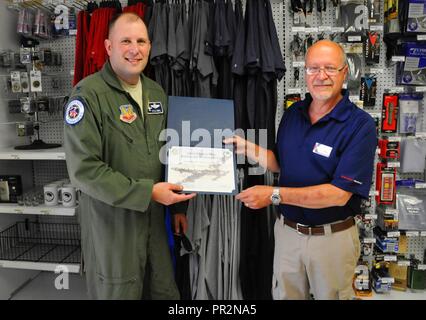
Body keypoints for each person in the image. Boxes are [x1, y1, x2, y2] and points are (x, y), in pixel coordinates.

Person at [225, 40, 377, 300]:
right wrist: (248, 147)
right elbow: (281, 162)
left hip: (332, 238)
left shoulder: (360, 125)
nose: (321, 76)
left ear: (344, 73)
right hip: (287, 234)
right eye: (313, 68)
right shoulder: (293, 113)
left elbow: (338, 194)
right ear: (304, 72)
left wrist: (274, 195)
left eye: (330, 68)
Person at [63, 12, 195, 300]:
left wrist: (178, 209)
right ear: (109, 47)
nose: (134, 49)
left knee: (161, 290)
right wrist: (148, 192)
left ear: (150, 46)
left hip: (155, 224)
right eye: (126, 41)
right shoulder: (88, 95)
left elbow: (167, 154)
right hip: (113, 227)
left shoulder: (156, 93)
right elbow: (84, 171)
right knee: (119, 292)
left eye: (141, 41)